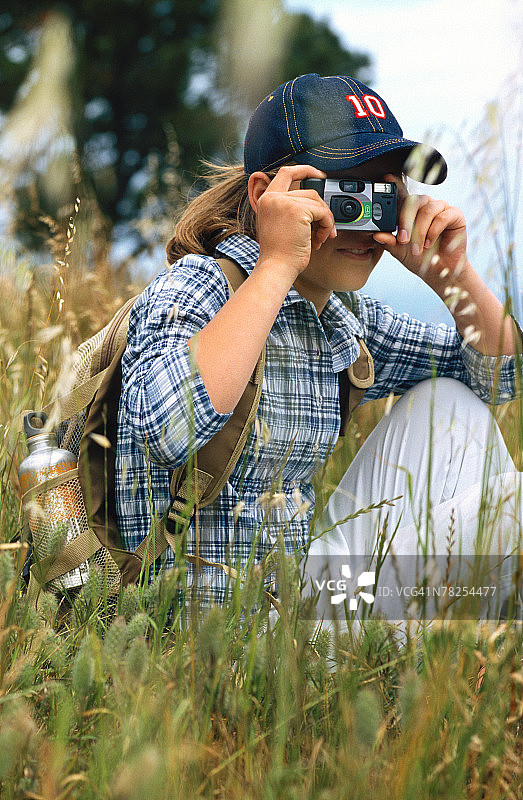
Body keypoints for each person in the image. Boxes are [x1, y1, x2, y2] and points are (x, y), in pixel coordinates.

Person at [115, 73, 521, 619]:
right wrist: (277, 263)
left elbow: (499, 378)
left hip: (296, 609)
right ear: (265, 196)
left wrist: (452, 276)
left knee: (451, 404)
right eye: (343, 196)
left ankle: (457, 646)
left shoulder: (343, 317)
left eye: (382, 197)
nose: (364, 223)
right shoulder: (197, 287)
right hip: (201, 636)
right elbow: (166, 430)